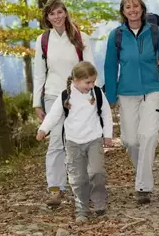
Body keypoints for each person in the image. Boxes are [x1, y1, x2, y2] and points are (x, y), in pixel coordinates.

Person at [104, 0, 159, 204]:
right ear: (123, 11)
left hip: (153, 91)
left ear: (142, 8)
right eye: (128, 7)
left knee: (148, 136)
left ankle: (143, 187)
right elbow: (110, 67)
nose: (132, 10)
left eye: (136, 6)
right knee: (130, 140)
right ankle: (145, 172)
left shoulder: (155, 33)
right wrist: (110, 96)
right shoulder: (117, 35)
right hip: (126, 92)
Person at [32, 0, 94, 207]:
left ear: (65, 13)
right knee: (57, 140)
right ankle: (56, 188)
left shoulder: (80, 37)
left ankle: (83, 184)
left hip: (79, 95)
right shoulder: (43, 41)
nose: (56, 17)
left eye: (59, 12)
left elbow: (91, 69)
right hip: (52, 95)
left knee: (79, 139)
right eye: (52, 13)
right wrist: (37, 103)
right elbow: (39, 73)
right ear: (47, 17)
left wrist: (93, 95)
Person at [36, 61, 113, 224]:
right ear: (76, 80)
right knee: (78, 178)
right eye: (88, 82)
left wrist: (108, 135)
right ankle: (82, 209)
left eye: (93, 81)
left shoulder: (97, 93)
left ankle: (98, 200)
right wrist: (43, 130)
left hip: (94, 140)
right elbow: (54, 115)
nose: (91, 85)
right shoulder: (65, 96)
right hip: (73, 143)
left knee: (96, 172)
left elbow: (106, 114)